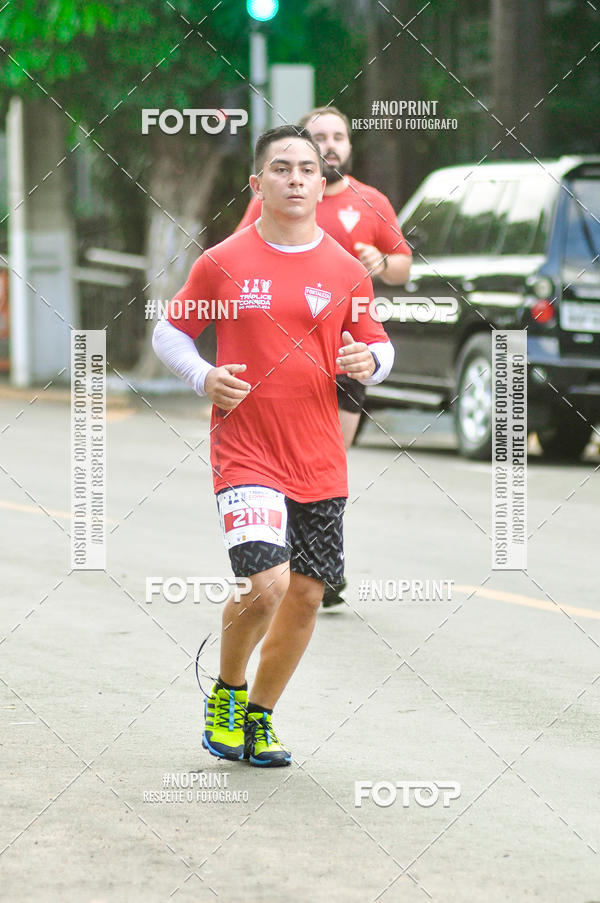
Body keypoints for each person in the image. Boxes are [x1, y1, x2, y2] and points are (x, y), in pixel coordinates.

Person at [152, 125, 395, 767]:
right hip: (247, 452)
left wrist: (369, 360)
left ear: (322, 182)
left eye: (305, 169)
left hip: (319, 456)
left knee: (308, 595)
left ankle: (260, 718)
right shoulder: (224, 261)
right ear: (257, 184)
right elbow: (170, 334)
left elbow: (380, 342)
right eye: (280, 169)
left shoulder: (345, 270)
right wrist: (203, 375)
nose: (294, 179)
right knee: (265, 585)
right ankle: (227, 695)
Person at [238, 106, 412, 608]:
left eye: (338, 136)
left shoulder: (370, 200)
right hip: (283, 355)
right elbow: (242, 250)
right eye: (320, 138)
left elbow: (402, 267)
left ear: (348, 146)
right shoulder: (277, 197)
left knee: (328, 460)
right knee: (288, 460)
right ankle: (282, 558)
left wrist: (381, 262)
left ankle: (317, 563)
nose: (330, 145)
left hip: (347, 352)